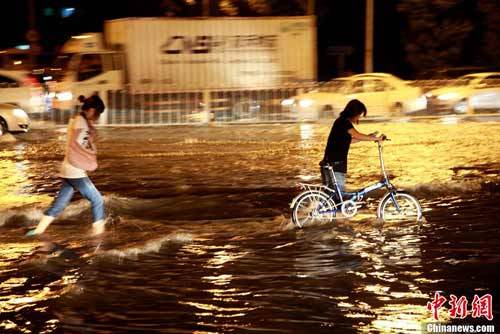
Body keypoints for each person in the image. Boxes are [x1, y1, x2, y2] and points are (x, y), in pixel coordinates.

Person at [27, 95, 107, 236]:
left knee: (59, 204)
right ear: (92, 110)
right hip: (75, 171)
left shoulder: (77, 120)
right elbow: (77, 146)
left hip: (67, 169)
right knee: (97, 200)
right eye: (98, 113)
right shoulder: (81, 123)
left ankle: (38, 231)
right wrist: (91, 157)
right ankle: (98, 235)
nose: (98, 117)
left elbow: (80, 143)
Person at [320, 99, 384, 197]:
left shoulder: (340, 121)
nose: (359, 117)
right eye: (359, 115)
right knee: (337, 196)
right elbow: (357, 135)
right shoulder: (344, 122)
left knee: (330, 195)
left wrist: (369, 137)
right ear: (354, 113)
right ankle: (329, 211)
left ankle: (323, 210)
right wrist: (375, 138)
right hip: (336, 164)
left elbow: (349, 141)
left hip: (330, 162)